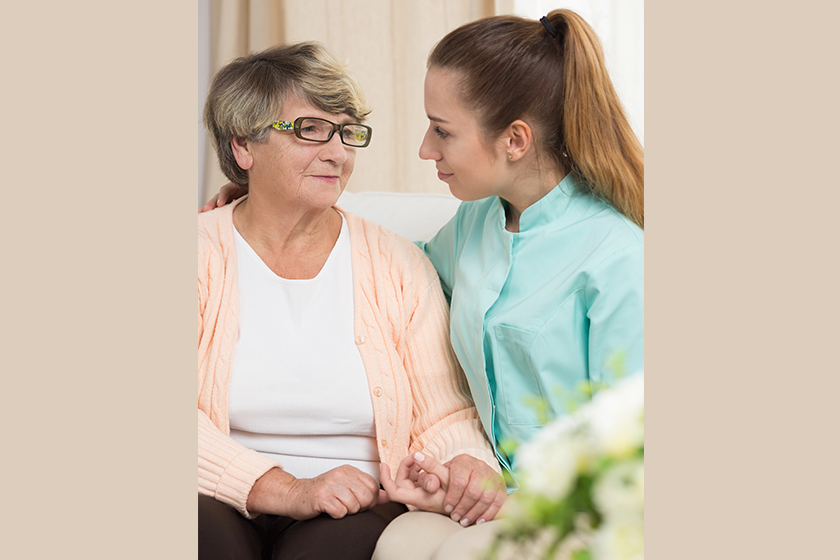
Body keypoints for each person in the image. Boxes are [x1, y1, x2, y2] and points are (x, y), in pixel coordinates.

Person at [203, 9, 644, 558]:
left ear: (515, 140)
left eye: (442, 130)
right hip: (481, 492)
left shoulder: (618, 258)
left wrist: (485, 482)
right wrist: (252, 202)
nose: (424, 149)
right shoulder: (476, 225)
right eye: (311, 131)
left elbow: (632, 449)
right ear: (244, 145)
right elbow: (391, 278)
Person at [197, 42, 504, 560]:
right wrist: (285, 488)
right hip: (216, 492)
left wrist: (467, 464)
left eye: (347, 132)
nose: (338, 153)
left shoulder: (398, 264)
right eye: (310, 129)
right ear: (243, 148)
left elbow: (443, 414)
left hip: (358, 499)